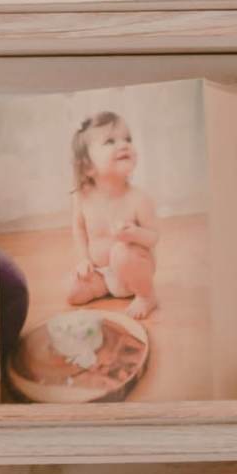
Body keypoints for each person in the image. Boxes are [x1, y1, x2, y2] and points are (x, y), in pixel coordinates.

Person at [64, 111, 159, 319]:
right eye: (110, 141)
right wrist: (83, 260)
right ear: (87, 166)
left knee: (121, 253)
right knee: (72, 292)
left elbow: (153, 238)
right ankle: (104, 289)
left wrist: (134, 234)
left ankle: (146, 294)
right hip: (102, 274)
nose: (124, 144)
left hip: (132, 270)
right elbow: (79, 230)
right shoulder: (81, 196)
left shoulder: (138, 198)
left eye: (128, 139)